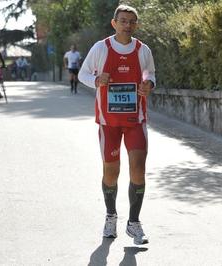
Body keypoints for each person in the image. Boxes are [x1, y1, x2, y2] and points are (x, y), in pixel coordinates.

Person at [78, 4, 156, 245]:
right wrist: (97, 79)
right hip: (108, 122)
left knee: (138, 169)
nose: (127, 25)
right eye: (123, 21)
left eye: (131, 21)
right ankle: (110, 216)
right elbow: (83, 75)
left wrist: (148, 85)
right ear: (114, 23)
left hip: (136, 121)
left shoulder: (143, 50)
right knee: (111, 173)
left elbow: (150, 74)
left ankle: (134, 223)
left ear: (136, 25)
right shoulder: (101, 48)